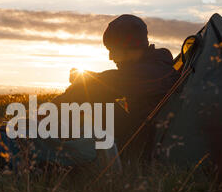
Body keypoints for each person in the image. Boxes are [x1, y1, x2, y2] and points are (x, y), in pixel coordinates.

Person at [52, 14, 180, 159]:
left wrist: (85, 79)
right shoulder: (151, 68)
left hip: (145, 149)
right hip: (137, 139)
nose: (111, 57)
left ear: (132, 47)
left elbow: (116, 81)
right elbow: (120, 81)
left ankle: (40, 131)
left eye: (114, 50)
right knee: (90, 97)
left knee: (88, 92)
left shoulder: (157, 71)